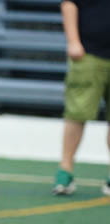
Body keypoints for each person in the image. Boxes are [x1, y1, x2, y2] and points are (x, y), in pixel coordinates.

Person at [52, 0, 110, 196]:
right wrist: (73, 41)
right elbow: (69, 3)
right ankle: (65, 171)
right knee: (77, 114)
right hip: (88, 53)